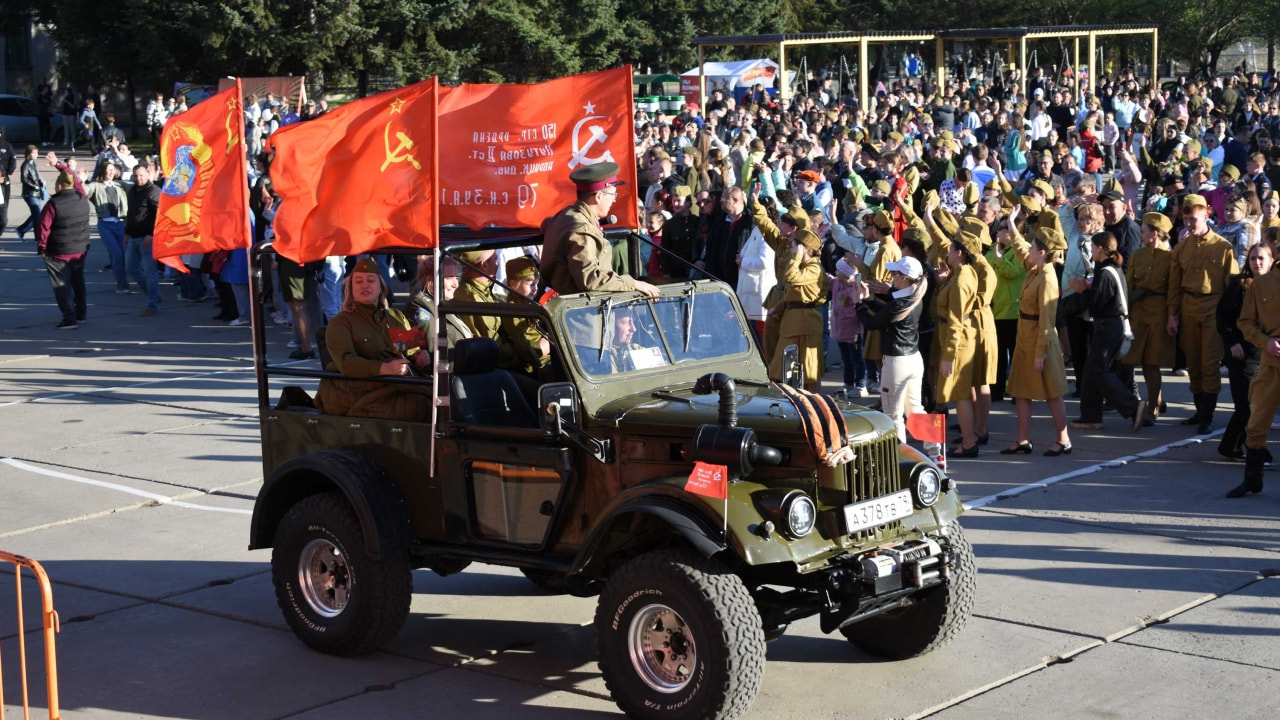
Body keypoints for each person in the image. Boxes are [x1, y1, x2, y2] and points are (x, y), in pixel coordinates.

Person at [315, 257, 433, 421]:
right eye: (358, 282)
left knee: (445, 398)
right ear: (350, 289)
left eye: (371, 280)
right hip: (358, 392)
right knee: (419, 407)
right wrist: (384, 368)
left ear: (381, 287)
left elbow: (411, 350)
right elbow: (346, 362)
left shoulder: (395, 316)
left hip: (397, 385)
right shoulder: (340, 322)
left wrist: (419, 358)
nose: (365, 285)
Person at [1168, 194, 1240, 434]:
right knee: (1194, 363)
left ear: (1206, 214)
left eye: (1194, 218)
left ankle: (1208, 416)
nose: (1189, 223)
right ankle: (1199, 411)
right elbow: (1174, 286)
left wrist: (1229, 319)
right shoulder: (1181, 248)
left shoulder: (1222, 247)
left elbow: (1233, 287)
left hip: (1213, 308)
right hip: (1189, 307)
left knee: (1209, 364)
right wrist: (1172, 314)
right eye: (1186, 218)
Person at [1003, 226, 1073, 456]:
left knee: (1052, 390)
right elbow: (1022, 250)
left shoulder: (1047, 278)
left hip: (1040, 339)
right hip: (1025, 335)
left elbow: (1047, 319)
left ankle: (1063, 440)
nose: (1029, 249)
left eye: (1033, 246)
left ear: (1042, 252)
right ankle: (1023, 439)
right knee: (1021, 390)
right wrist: (1013, 225)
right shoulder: (1036, 268)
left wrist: (1039, 353)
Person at [542, 162, 660, 298]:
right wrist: (633, 284)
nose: (614, 200)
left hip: (573, 306)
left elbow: (545, 224)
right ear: (598, 197)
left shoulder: (565, 215)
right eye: (612, 195)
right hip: (582, 311)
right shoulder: (582, 230)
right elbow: (591, 279)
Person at [1069, 231, 1147, 431]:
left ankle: (1133, 406)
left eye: (1093, 247)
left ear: (1101, 249)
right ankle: (1090, 416)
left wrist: (1082, 290)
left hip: (1108, 325)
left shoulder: (1105, 272)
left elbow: (1097, 304)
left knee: (1099, 371)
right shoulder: (1110, 269)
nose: (1091, 251)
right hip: (1110, 325)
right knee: (1091, 371)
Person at [855, 256, 927, 443]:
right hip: (913, 359)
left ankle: (899, 455)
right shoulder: (914, 297)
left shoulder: (899, 304)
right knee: (916, 409)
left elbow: (872, 323)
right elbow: (888, 312)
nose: (892, 278)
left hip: (897, 362)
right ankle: (935, 453)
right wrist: (870, 301)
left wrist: (859, 304)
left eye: (894, 274)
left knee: (893, 414)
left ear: (903, 278)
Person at [1218, 243, 1273, 462]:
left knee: (1253, 405)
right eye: (1253, 259)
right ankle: (1256, 451)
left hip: (1265, 354)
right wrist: (1232, 343)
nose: (1257, 263)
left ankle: (1229, 444)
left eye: (1261, 259)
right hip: (1241, 354)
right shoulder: (1238, 286)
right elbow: (1223, 318)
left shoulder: (1273, 286)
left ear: (1271, 261)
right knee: (1247, 405)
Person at [1123, 213, 1175, 425]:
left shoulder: (1171, 258)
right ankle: (1158, 398)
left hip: (1159, 312)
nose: (1141, 235)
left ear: (1155, 234)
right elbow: (1130, 283)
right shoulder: (1138, 255)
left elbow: (1173, 289)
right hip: (1138, 311)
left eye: (1144, 231)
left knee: (1152, 361)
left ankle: (1152, 407)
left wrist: (1172, 315)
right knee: (1142, 360)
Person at [936, 230, 983, 457]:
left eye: (950, 250)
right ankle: (969, 438)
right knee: (961, 392)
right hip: (959, 338)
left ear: (960, 253)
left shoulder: (961, 280)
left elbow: (955, 321)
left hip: (958, 341)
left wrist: (948, 356)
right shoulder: (962, 273)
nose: (947, 253)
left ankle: (968, 442)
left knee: (960, 394)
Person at [769, 225, 829, 392]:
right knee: (785, 371)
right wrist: (778, 308)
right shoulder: (802, 266)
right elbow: (794, 294)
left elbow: (790, 277)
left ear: (804, 248)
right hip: (792, 324)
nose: (792, 249)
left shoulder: (813, 268)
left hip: (807, 326)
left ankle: (816, 407)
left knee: (810, 373)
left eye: (795, 245)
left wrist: (796, 258)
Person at [36, 171, 92, 328]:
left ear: (59, 185)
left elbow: (43, 227)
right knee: (78, 283)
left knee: (62, 285)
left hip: (59, 251)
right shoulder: (82, 198)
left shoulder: (53, 204)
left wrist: (42, 247)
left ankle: (69, 318)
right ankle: (81, 314)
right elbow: (78, 184)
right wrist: (60, 166)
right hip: (80, 249)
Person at [80, 160, 130, 294]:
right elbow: (84, 192)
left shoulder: (121, 185)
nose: (111, 172)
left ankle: (124, 280)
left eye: (113, 169)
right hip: (105, 225)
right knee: (117, 255)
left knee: (124, 256)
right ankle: (122, 285)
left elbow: (138, 187)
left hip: (121, 224)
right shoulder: (96, 186)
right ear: (103, 171)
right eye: (108, 169)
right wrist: (81, 181)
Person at [500, 256, 552, 379]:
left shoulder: (529, 305)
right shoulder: (513, 310)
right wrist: (550, 341)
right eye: (530, 283)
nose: (535, 288)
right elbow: (529, 350)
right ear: (513, 284)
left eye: (536, 283)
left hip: (547, 360)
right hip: (536, 368)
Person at [124, 162, 163, 317]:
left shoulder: (153, 192)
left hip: (147, 237)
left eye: (141, 175)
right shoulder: (132, 191)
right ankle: (155, 295)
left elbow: (158, 215)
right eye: (135, 175)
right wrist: (126, 233)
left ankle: (152, 304)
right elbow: (131, 213)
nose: (138, 178)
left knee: (150, 272)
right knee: (131, 268)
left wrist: (151, 234)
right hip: (133, 235)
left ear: (148, 174)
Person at [15, 145, 45, 242]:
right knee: (37, 216)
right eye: (34, 153)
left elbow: (35, 177)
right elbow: (24, 179)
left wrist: (40, 183)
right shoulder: (25, 164)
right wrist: (34, 186)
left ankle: (21, 230)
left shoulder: (33, 164)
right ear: (28, 153)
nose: (36, 155)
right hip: (29, 193)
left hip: (36, 193)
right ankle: (38, 237)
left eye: (37, 153)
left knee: (38, 214)